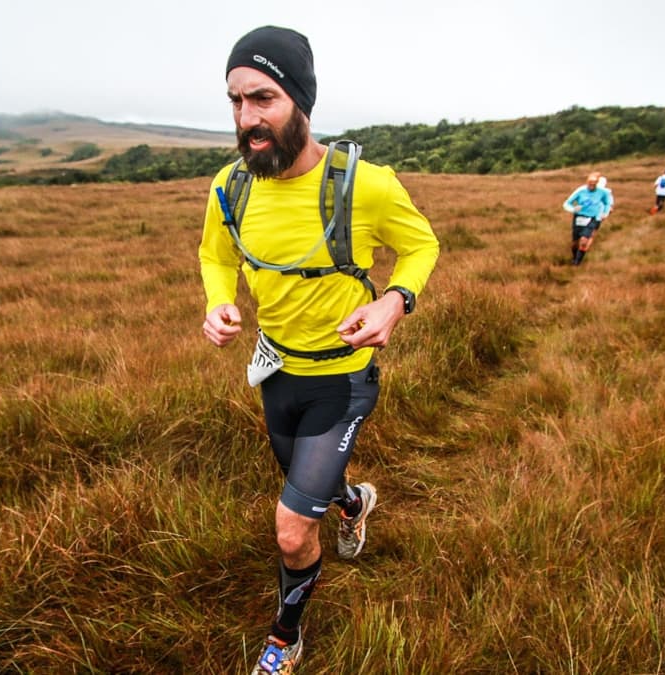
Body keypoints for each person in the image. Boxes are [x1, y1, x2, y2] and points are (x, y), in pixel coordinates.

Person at [199, 26, 440, 674]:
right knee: (311, 482)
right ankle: (354, 502)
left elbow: (422, 246)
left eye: (264, 98)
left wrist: (396, 300)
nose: (247, 119)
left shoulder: (365, 184)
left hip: (343, 382)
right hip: (277, 372)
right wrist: (218, 300)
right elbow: (215, 255)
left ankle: (285, 635)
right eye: (235, 101)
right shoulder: (232, 187)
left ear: (301, 101)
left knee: (289, 525)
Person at [562, 171, 612, 265]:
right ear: (587, 182)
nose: (591, 186)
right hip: (579, 217)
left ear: (597, 183)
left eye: (594, 184)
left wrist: (605, 213)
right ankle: (574, 257)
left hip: (592, 218)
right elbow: (569, 202)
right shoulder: (581, 190)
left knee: (584, 240)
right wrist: (574, 208)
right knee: (575, 243)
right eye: (590, 183)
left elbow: (607, 203)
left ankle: (577, 263)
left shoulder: (603, 192)